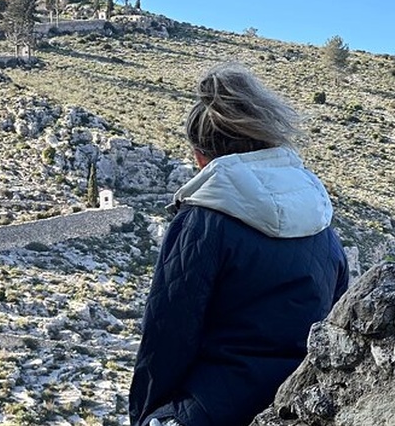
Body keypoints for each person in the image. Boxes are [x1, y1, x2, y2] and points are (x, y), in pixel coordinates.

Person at [129, 62, 349, 426]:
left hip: (211, 410)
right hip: (301, 404)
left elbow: (168, 336)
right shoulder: (320, 222)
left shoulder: (203, 222)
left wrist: (144, 416)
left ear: (201, 157)